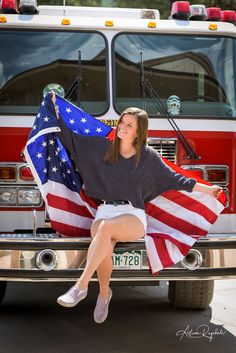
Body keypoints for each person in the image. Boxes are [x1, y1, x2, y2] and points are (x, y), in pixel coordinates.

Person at [51, 93, 222, 323]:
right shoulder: (102, 148)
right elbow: (70, 139)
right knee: (104, 242)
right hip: (105, 211)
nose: (122, 126)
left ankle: (80, 287)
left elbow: (177, 180)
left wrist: (208, 190)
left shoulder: (148, 157)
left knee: (104, 232)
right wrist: (54, 111)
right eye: (122, 121)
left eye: (128, 125)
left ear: (138, 132)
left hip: (132, 214)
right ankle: (104, 293)